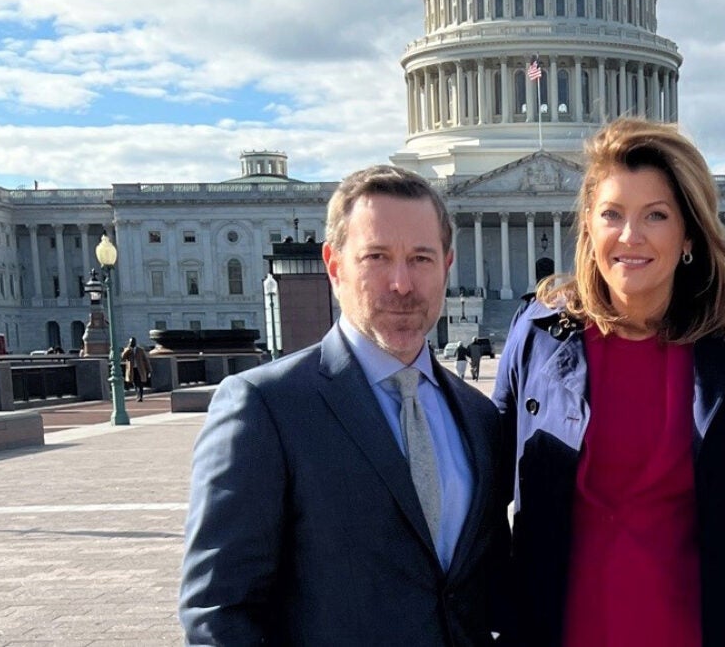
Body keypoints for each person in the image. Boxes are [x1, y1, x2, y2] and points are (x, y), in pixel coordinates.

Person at [180, 165, 508, 645]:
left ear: (447, 265)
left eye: (420, 258)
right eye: (377, 257)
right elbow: (218, 611)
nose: (402, 284)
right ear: (334, 267)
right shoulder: (265, 407)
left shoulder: (478, 418)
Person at [494, 119, 725, 647]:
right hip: (558, 630)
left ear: (688, 235)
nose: (630, 236)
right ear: (589, 226)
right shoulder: (538, 335)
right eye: (612, 214)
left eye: (655, 215)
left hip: (688, 630)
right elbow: (488, 493)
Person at [122, 337, 152, 401]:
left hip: (139, 369)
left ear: (135, 342)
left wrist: (149, 369)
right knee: (134, 383)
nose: (132, 343)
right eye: (130, 342)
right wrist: (127, 350)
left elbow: (145, 360)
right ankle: (137, 395)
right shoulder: (127, 350)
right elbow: (123, 357)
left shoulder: (140, 350)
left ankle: (140, 396)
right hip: (132, 370)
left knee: (140, 383)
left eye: (133, 342)